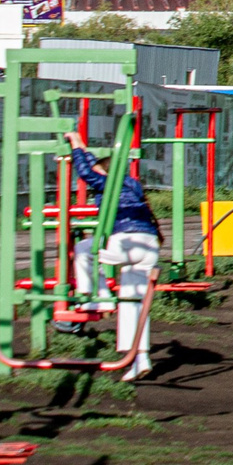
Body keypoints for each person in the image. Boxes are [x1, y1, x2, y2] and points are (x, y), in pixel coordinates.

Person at [71, 140, 162, 379]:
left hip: (127, 242)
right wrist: (82, 145)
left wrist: (74, 147)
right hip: (149, 244)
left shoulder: (108, 183)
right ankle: (139, 359)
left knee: (83, 250)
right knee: (133, 303)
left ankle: (99, 298)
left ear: (105, 173)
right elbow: (95, 168)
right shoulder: (130, 184)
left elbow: (86, 172)